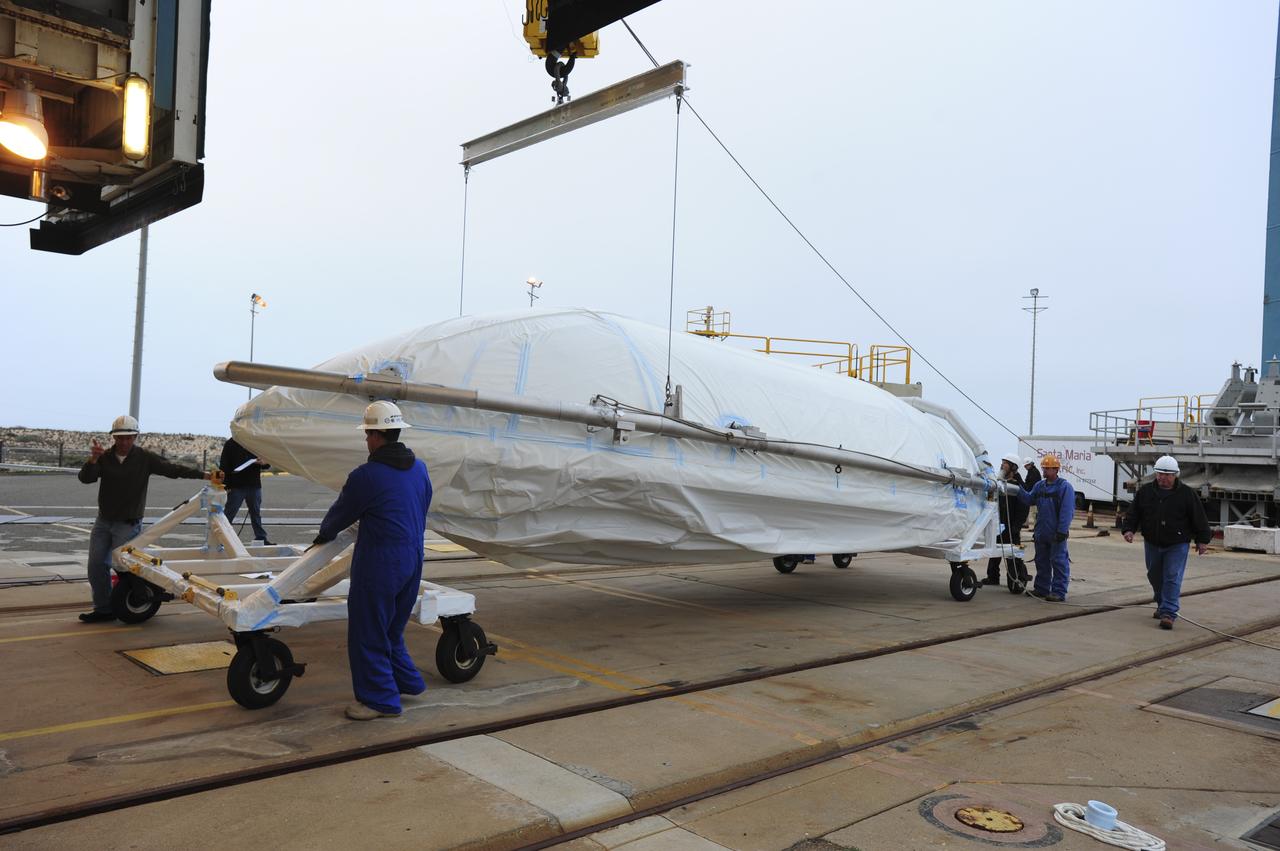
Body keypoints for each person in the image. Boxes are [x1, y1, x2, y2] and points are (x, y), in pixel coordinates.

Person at [314, 401, 433, 721]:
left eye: (368, 434)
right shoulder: (420, 469)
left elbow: (340, 514)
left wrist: (323, 535)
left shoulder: (367, 476)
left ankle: (380, 700)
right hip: (413, 558)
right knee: (392, 628)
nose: (366, 440)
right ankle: (408, 681)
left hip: (381, 562)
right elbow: (422, 505)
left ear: (378, 435)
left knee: (368, 631)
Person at [77, 415, 215, 623]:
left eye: (128, 437)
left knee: (123, 565)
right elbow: (86, 478)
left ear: (135, 437)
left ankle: (142, 594)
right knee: (96, 565)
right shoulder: (105, 457)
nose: (123, 442)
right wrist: (93, 460)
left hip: (128, 523)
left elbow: (172, 470)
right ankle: (104, 609)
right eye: (119, 437)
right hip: (103, 521)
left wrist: (204, 475)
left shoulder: (144, 458)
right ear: (114, 438)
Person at [1121, 455, 1210, 630]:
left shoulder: (1186, 494)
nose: (1163, 478)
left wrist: (1202, 540)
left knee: (1171, 576)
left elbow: (1199, 518)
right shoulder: (1145, 492)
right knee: (1154, 575)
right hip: (1152, 542)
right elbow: (1134, 513)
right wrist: (1128, 529)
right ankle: (1162, 604)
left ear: (1175, 475)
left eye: (1168, 474)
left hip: (1177, 543)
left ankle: (1169, 612)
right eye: (1160, 474)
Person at [1018, 453, 1075, 601]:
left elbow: (1066, 511)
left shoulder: (1064, 487)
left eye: (1047, 469)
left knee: (1059, 562)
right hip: (1042, 532)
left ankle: (1059, 592)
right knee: (1041, 561)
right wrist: (1018, 488)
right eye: (1044, 468)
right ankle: (1042, 588)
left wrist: (1062, 531)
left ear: (1056, 470)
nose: (1044, 472)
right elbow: (1029, 499)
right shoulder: (1039, 486)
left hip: (1056, 533)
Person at [984, 454, 1029, 587]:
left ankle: (1015, 580)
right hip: (999, 525)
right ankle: (992, 577)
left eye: (1006, 463)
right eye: (1002, 462)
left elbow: (1023, 508)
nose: (1002, 465)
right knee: (994, 551)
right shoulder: (999, 484)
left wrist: (1016, 526)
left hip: (1012, 527)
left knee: (1013, 555)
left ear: (1013, 467)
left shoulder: (1018, 486)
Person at [219, 437, 273, 544]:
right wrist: (227, 485)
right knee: (229, 513)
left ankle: (261, 538)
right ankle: (221, 538)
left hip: (254, 484)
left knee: (255, 513)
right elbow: (224, 465)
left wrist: (263, 463)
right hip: (236, 485)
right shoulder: (230, 443)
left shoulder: (255, 442)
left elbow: (267, 462)